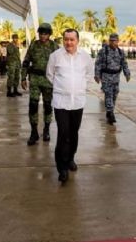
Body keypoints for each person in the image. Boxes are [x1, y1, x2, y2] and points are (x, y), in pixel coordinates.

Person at [46, 29, 94, 183]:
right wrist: (63, 88)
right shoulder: (55, 56)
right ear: (63, 40)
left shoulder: (85, 57)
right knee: (63, 133)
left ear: (77, 41)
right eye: (66, 39)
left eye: (72, 40)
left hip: (78, 102)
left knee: (74, 133)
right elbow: (49, 75)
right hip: (61, 102)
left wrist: (79, 88)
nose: (69, 43)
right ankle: (62, 168)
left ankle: (71, 158)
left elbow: (89, 75)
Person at [21, 23, 60, 145]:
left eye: (45, 34)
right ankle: (33, 132)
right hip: (35, 80)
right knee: (33, 105)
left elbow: (61, 65)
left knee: (48, 106)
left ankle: (46, 130)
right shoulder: (34, 45)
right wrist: (23, 77)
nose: (43, 36)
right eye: (41, 33)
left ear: (49, 34)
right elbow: (26, 61)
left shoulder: (55, 47)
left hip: (49, 81)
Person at [94, 33, 131, 124]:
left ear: (118, 41)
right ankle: (110, 113)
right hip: (106, 77)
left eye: (115, 41)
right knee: (108, 94)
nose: (113, 42)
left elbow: (124, 64)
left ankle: (109, 111)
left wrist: (127, 74)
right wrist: (97, 75)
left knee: (115, 94)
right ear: (109, 41)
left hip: (116, 78)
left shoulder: (120, 52)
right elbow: (98, 63)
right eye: (111, 41)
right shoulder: (103, 51)